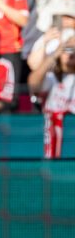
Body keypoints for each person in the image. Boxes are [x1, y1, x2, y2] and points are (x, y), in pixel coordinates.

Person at [29, 31, 75, 159]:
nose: (71, 54)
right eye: (67, 49)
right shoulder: (51, 77)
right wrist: (54, 55)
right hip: (53, 137)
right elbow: (33, 84)